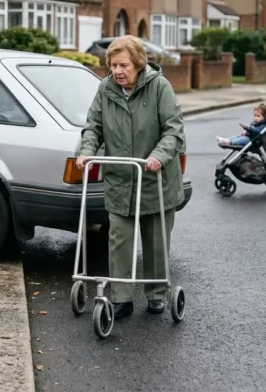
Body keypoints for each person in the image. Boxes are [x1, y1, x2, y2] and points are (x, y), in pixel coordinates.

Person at [76, 35, 185, 318]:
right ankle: (121, 297)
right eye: (113, 65)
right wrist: (86, 151)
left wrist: (158, 157)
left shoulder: (159, 87)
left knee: (155, 238)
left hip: (154, 178)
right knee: (119, 238)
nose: (117, 71)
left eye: (123, 65)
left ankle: (157, 293)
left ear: (138, 64)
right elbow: (93, 127)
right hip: (121, 178)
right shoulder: (105, 89)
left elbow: (173, 130)